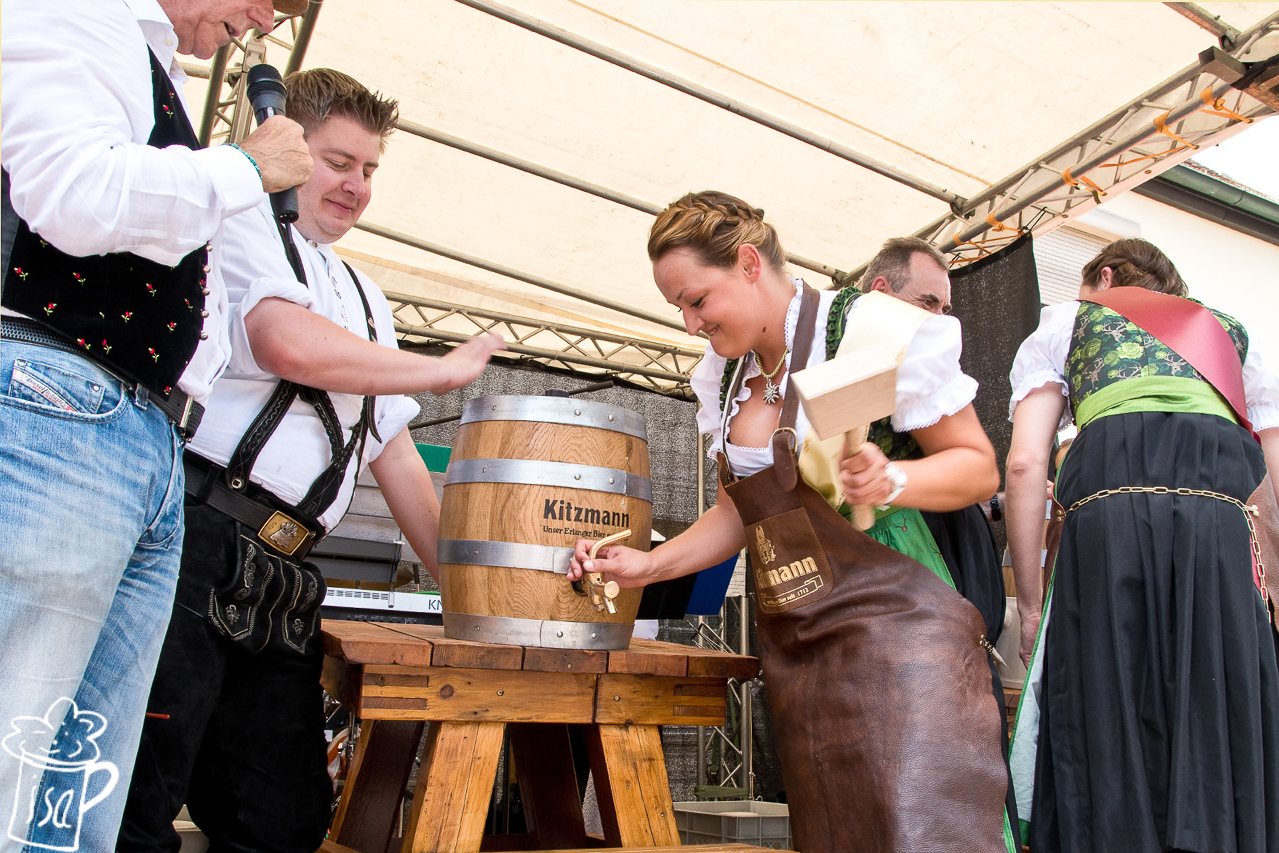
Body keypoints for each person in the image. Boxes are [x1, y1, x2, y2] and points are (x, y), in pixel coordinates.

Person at [115, 68, 502, 853]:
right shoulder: (242, 217)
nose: (355, 186)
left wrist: (467, 595)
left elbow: (392, 450)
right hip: (195, 541)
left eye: (368, 170)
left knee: (282, 819)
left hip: (287, 572)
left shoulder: (366, 295)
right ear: (286, 145)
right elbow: (283, 342)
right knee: (137, 798)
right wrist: (444, 369)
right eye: (336, 161)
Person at [568, 191, 1012, 852]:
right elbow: (737, 510)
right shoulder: (722, 374)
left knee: (921, 824)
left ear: (749, 263)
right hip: (800, 635)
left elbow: (978, 467)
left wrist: (894, 477)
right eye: (680, 308)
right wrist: (646, 565)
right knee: (835, 825)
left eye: (696, 299)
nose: (690, 323)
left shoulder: (868, 330)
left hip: (895, 619)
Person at [0, 0, 312, 847]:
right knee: (17, 741)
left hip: (137, 432)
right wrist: (244, 166)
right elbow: (72, 193)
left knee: (81, 777)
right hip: (60, 402)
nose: (268, 23)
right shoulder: (71, 13)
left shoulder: (150, 62)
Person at [1005, 238, 1279, 852]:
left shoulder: (1065, 324)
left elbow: (1026, 466)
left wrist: (1028, 603)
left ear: (1104, 277)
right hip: (1218, 540)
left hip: (1108, 531)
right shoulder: (1236, 336)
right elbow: (1275, 483)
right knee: (1214, 713)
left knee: (1104, 707)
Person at [860, 235, 1006, 642]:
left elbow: (980, 470)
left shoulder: (925, 356)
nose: (941, 320)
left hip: (939, 540)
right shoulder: (829, 343)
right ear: (881, 291)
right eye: (928, 303)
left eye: (945, 308)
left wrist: (887, 478)